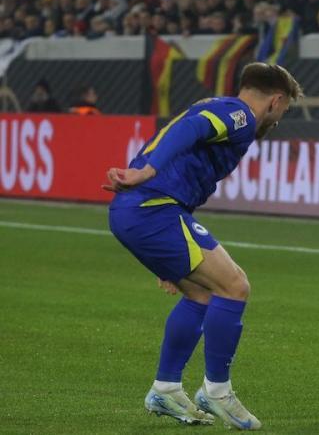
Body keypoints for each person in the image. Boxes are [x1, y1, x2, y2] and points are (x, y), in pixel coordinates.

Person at [104, 62, 302, 430]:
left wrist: (169, 265)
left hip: (148, 212)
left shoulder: (222, 107)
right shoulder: (240, 115)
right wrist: (146, 170)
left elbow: (189, 140)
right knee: (235, 285)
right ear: (275, 101)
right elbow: (188, 128)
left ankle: (165, 388)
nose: (278, 121)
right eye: (284, 110)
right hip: (152, 207)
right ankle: (217, 391)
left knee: (202, 295)